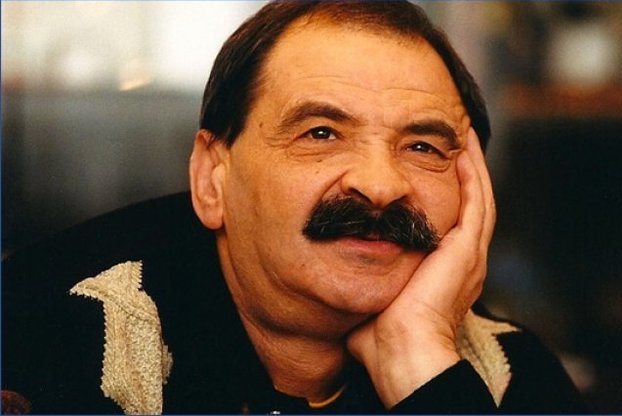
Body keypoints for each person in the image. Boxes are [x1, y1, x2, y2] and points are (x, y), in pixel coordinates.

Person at [2, 1, 585, 414]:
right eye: (321, 134)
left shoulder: (509, 371)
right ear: (211, 180)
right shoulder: (48, 341)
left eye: (422, 147)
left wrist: (417, 358)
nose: (380, 186)